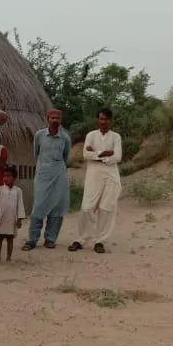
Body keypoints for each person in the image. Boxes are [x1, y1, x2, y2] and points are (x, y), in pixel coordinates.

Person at [71, 108, 123, 254]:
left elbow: (117, 157)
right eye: (100, 119)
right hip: (94, 174)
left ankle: (100, 241)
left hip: (111, 175)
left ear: (110, 121)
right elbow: (85, 154)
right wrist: (104, 153)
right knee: (87, 207)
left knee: (106, 209)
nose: (103, 122)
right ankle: (81, 238)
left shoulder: (116, 137)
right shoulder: (91, 135)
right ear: (97, 120)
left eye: (106, 119)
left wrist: (97, 155)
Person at [23, 109, 72, 251]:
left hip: (59, 175)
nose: (55, 120)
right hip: (43, 175)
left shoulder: (65, 138)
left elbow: (66, 157)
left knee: (57, 207)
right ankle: (32, 240)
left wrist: (56, 167)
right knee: (38, 206)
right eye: (53, 118)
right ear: (47, 119)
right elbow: (36, 154)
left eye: (58, 118)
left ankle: (50, 239)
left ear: (60, 120)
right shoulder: (39, 135)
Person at [0, 166, 25, 263]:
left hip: (12, 218)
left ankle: (8, 257)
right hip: (1, 218)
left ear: (14, 177)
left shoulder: (18, 191)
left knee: (10, 238)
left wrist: (19, 219)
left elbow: (20, 205)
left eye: (8, 176)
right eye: (4, 176)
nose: (5, 178)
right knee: (0, 238)